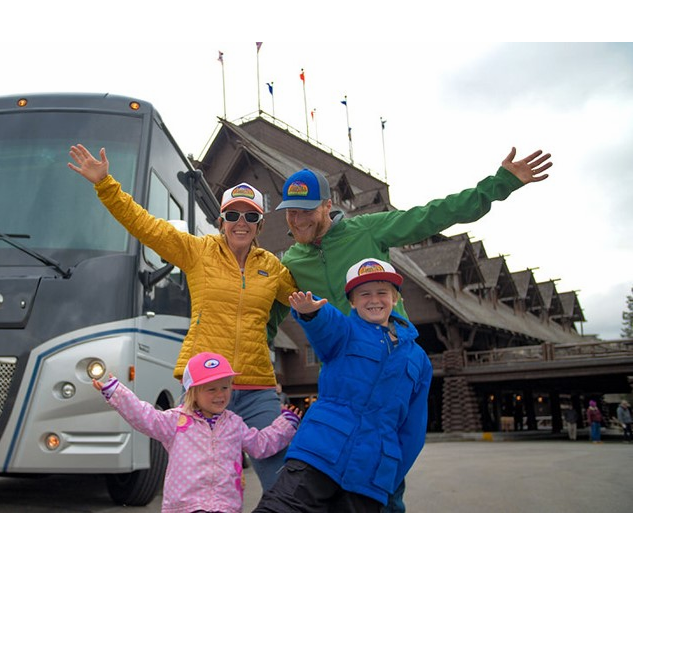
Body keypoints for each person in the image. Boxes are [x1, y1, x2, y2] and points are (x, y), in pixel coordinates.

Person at [271, 147, 553, 510]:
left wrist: (499, 184)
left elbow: (432, 216)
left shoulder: (367, 231)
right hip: (342, 367)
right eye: (291, 212)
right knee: (320, 472)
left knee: (381, 472)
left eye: (307, 210)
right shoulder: (292, 260)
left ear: (327, 206)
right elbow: (273, 308)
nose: (298, 220)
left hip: (391, 358)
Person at [68, 144, 298, 493]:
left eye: (251, 216)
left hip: (256, 387)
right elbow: (144, 225)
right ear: (220, 222)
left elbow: (306, 296)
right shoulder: (197, 252)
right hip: (203, 385)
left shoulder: (272, 268)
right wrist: (105, 184)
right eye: (233, 215)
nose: (241, 223)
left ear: (260, 225)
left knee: (282, 481)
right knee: (198, 480)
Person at [254, 258, 432, 513]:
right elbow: (325, 324)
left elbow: (413, 429)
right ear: (352, 301)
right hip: (318, 451)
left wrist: (389, 478)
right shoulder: (345, 332)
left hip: (371, 471)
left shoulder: (419, 359)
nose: (374, 300)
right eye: (364, 294)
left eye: (382, 293)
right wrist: (311, 311)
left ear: (396, 299)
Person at [95, 352, 299, 512]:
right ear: (192, 391)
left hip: (225, 508)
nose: (220, 395)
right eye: (211, 389)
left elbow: (259, 445)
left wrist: (286, 424)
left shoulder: (234, 423)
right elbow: (144, 416)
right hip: (185, 508)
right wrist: (117, 392)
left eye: (225, 387)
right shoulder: (176, 421)